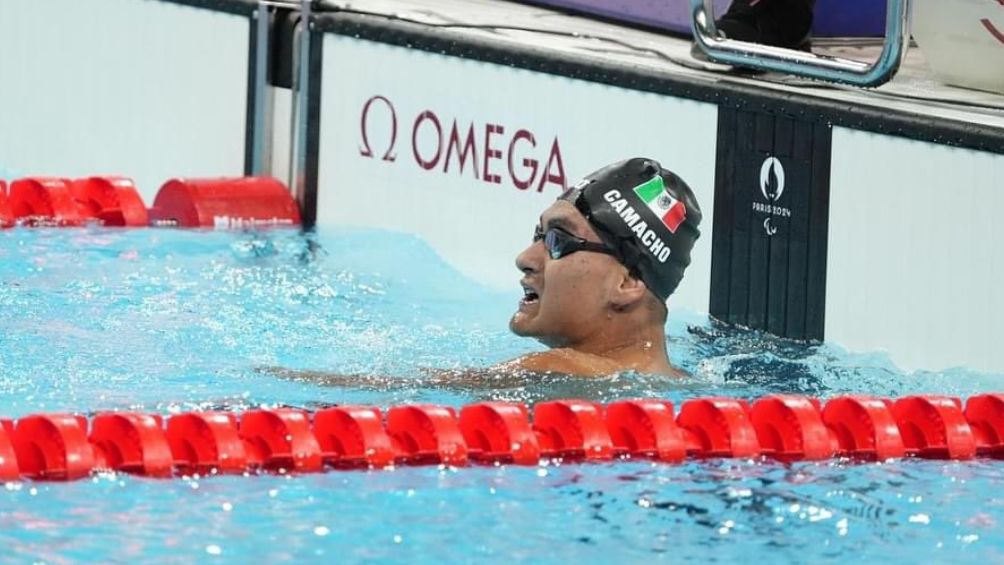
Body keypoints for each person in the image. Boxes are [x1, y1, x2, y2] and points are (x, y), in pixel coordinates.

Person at [271, 157, 702, 387]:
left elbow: (382, 393)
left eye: (558, 241)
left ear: (628, 282)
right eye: (537, 235)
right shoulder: (688, 388)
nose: (526, 257)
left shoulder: (552, 370)